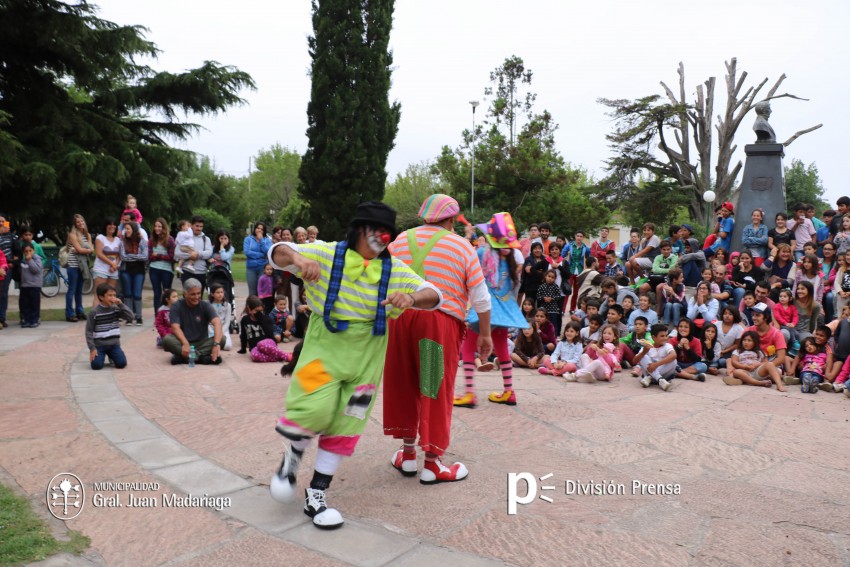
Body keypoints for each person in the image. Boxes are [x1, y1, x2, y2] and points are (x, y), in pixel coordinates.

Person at [267, 202, 441, 529]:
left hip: (368, 356)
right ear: (360, 229)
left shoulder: (395, 270)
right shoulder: (327, 253)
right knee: (312, 408)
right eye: (377, 230)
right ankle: (290, 462)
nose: (383, 238)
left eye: (387, 233)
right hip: (324, 347)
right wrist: (298, 258)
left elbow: (435, 294)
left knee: (349, 420)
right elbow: (278, 250)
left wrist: (413, 299)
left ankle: (317, 494)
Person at [455, 212, 527, 408]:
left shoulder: (482, 253)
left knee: (468, 348)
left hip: (484, 311)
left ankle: (469, 393)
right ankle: (509, 391)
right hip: (503, 311)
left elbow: (463, 258)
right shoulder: (511, 260)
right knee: (502, 347)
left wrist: (468, 236)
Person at [723, 304, 787, 391]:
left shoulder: (777, 334)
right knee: (730, 360)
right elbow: (739, 350)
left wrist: (760, 365)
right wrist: (743, 366)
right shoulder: (748, 331)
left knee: (774, 371)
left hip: (766, 365)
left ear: (766, 317)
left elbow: (781, 358)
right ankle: (737, 377)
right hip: (747, 365)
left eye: (757, 315)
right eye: (753, 315)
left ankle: (743, 379)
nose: (753, 318)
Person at [163, 278, 226, 365]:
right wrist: (185, 343)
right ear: (185, 294)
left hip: (202, 343)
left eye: (198, 293)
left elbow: (217, 322)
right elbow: (175, 327)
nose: (196, 297)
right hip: (183, 342)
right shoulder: (176, 306)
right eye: (193, 294)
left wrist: (216, 345)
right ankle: (202, 358)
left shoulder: (205, 305)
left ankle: (185, 358)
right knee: (167, 340)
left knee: (222, 339)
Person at [85, 283, 134, 370]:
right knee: (96, 366)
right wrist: (92, 348)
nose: (113, 298)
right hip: (99, 345)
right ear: (101, 297)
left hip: (114, 344)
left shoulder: (115, 309)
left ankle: (112, 356)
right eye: (110, 295)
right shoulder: (94, 312)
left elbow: (131, 317)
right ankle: (101, 356)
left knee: (121, 364)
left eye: (114, 295)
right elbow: (89, 331)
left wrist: (121, 305)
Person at [238, 295, 289, 362]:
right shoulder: (245, 320)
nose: (259, 313)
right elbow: (243, 335)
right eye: (256, 311)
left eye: (261, 311)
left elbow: (270, 334)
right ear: (249, 309)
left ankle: (286, 356)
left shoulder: (266, 318)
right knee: (254, 356)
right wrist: (243, 348)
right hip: (255, 347)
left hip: (268, 344)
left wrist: (261, 320)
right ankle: (278, 358)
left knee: (261, 344)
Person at [118, 221, 148, 326]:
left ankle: (139, 317)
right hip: (125, 270)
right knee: (128, 294)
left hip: (139, 271)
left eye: (128, 229)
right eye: (125, 229)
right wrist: (135, 257)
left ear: (134, 230)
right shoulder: (122, 242)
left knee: (137, 294)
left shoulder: (142, 241)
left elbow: (145, 256)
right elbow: (123, 257)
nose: (126, 231)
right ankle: (129, 317)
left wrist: (130, 256)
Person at [65, 214, 93, 322]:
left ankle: (80, 311)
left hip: (83, 266)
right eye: (78, 222)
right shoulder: (72, 235)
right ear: (75, 224)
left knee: (79, 290)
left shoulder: (88, 235)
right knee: (72, 289)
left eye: (82, 221)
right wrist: (85, 250)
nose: (81, 223)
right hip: (73, 266)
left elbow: (90, 249)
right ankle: (69, 313)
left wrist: (84, 250)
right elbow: (81, 250)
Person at [173, 215, 213, 291]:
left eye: (201, 226)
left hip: (201, 272)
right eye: (197, 226)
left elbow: (209, 253)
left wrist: (197, 254)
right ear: (191, 225)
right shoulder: (183, 236)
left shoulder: (206, 239)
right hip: (187, 272)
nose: (199, 228)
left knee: (199, 298)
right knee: (187, 298)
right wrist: (190, 256)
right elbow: (177, 253)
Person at [634, 323, 678, 391]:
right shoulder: (648, 346)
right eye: (662, 336)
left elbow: (673, 355)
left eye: (666, 335)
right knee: (643, 356)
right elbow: (634, 361)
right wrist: (643, 352)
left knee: (673, 360)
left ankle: (650, 377)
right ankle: (660, 379)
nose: (665, 338)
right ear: (654, 337)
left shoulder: (667, 345)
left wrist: (656, 365)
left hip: (664, 376)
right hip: (651, 374)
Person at [148, 218, 175, 318]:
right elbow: (150, 256)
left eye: (159, 226)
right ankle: (158, 316)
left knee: (167, 293)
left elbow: (172, 257)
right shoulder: (151, 240)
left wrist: (158, 255)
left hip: (167, 270)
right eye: (155, 226)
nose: (157, 228)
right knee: (156, 293)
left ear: (164, 227)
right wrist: (161, 256)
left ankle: (168, 315)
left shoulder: (170, 240)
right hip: (154, 268)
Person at [563, 231, 591, 312]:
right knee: (567, 290)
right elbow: (562, 255)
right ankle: (563, 309)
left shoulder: (585, 248)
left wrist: (587, 269)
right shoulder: (569, 245)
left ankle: (572, 308)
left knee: (576, 292)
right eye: (578, 236)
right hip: (570, 270)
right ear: (575, 236)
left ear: (583, 238)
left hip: (579, 271)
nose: (579, 238)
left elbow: (588, 259)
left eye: (581, 236)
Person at [244, 222, 273, 297]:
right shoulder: (248, 239)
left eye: (262, 229)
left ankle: (261, 307)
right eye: (258, 228)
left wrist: (261, 241)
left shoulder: (267, 241)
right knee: (252, 292)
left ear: (264, 231)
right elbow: (247, 252)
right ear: (255, 229)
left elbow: (268, 252)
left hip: (262, 268)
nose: (259, 230)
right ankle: (252, 307)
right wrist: (261, 255)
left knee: (261, 291)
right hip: (251, 268)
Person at [17, 242, 42, 327]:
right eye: (26, 251)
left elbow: (36, 270)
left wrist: (30, 260)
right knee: (25, 304)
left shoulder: (37, 259)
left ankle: (34, 320)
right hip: (25, 286)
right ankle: (26, 320)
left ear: (33, 251)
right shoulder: (23, 261)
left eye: (30, 251)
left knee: (34, 304)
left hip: (34, 286)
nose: (28, 253)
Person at [0, 213, 18, 328]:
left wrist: (11, 263)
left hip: (6, 267)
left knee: (3, 293)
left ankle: (2, 318)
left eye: (3, 221)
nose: (1, 223)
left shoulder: (10, 236)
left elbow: (16, 250)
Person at [208, 283, 233, 350]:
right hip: (211, 329)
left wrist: (221, 332)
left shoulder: (227, 305)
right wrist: (212, 331)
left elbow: (227, 322)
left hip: (223, 329)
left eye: (222, 292)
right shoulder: (208, 305)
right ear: (212, 294)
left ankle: (218, 344)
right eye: (218, 292)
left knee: (228, 346)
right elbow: (207, 322)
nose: (220, 294)